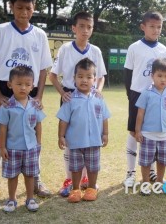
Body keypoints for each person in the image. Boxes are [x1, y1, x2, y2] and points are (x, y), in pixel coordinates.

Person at [0, 0, 53, 206]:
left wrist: (39, 95)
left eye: (28, 8)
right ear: (11, 7)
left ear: (34, 8)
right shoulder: (1, 30)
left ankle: (37, 178)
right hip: (5, 90)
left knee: (31, 138)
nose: (24, 13)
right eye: (19, 7)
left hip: (29, 94)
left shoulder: (40, 35)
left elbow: (43, 69)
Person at [49, 11, 107, 196]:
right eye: (81, 26)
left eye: (89, 27)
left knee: (89, 138)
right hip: (70, 97)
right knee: (70, 141)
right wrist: (62, 93)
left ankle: (86, 180)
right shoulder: (65, 49)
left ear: (92, 29)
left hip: (90, 98)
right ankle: (69, 179)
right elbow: (52, 75)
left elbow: (102, 77)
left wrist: (98, 90)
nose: (85, 30)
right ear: (74, 28)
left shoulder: (96, 50)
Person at [123, 11, 166, 187]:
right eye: (152, 26)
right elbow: (128, 73)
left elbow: (165, 74)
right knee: (135, 133)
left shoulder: (163, 50)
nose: (156, 30)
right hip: (137, 94)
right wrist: (131, 95)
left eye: (159, 27)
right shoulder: (134, 47)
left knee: (152, 134)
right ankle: (130, 172)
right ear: (143, 27)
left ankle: (150, 172)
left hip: (156, 97)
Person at [57, 58, 110, 203]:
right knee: (75, 167)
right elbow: (63, 120)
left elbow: (105, 118)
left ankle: (91, 189)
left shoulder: (98, 98)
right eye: (80, 76)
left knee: (93, 167)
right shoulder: (70, 99)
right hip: (75, 142)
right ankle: (75, 190)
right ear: (74, 79)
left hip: (94, 141)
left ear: (94, 79)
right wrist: (61, 136)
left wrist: (105, 134)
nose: (84, 80)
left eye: (88, 77)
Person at [0, 67, 45, 212]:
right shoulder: (7, 106)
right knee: (13, 176)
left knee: (30, 174)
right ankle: (11, 200)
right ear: (10, 84)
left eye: (27, 84)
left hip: (31, 148)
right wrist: (3, 147)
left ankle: (30, 199)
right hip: (12, 148)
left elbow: (39, 125)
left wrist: (38, 143)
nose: (23, 87)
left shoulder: (35, 105)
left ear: (32, 86)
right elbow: (2, 128)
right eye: (19, 84)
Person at [134, 58, 166, 195]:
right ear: (152, 76)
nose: (163, 79)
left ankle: (159, 182)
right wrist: (137, 131)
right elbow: (140, 114)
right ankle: (146, 183)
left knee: (162, 161)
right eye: (159, 76)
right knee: (146, 162)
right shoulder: (146, 93)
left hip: (165, 136)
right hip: (148, 135)